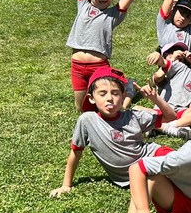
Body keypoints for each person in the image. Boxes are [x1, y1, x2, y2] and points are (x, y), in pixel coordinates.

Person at [50, 66, 176, 196]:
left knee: (182, 167)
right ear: (91, 98)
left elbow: (171, 116)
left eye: (115, 93)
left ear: (123, 97)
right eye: (102, 93)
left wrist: (155, 99)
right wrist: (66, 185)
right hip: (132, 176)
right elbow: (76, 152)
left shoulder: (132, 117)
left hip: (152, 156)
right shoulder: (87, 121)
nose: (109, 98)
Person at [65, 0, 139, 112]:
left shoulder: (113, 14)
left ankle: (129, 90)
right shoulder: (83, 6)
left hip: (98, 67)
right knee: (82, 109)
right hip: (77, 67)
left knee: (111, 108)